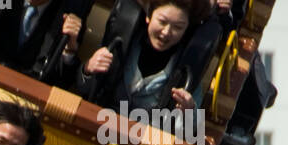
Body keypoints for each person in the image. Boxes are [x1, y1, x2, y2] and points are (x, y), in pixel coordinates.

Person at [78, 0, 213, 113]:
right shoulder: (121, 43)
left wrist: (188, 110)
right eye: (162, 21)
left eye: (177, 27)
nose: (166, 32)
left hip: (146, 140)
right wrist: (88, 69)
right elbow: (84, 88)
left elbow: (191, 127)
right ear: (149, 16)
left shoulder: (186, 67)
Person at [0, 0, 86, 84]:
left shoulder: (66, 16)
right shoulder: (4, 2)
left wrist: (69, 49)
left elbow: (61, 82)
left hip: (25, 101)